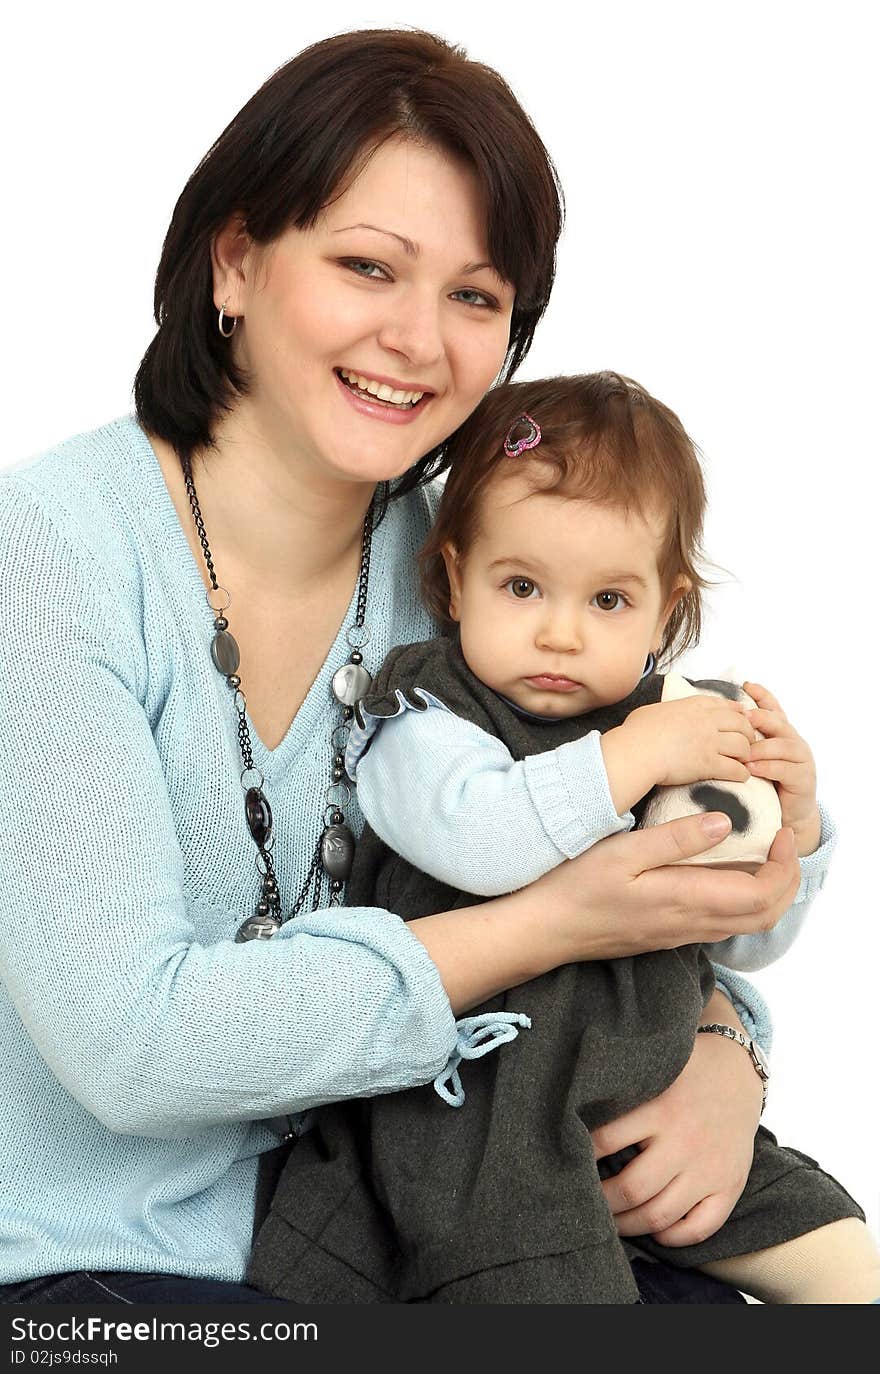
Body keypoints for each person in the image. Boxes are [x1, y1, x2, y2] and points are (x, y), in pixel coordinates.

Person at [0, 30, 805, 1306]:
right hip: (105, 1264)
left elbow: (681, 897)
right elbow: (133, 1049)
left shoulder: (480, 574)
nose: (418, 342)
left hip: (426, 1212)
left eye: (476, 298)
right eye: (368, 267)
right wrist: (545, 924)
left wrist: (723, 1050)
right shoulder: (46, 558)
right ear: (237, 261)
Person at [247, 372, 878, 1304]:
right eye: (524, 586)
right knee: (544, 1273)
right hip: (489, 1120)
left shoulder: (678, 722)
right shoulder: (424, 715)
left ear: (667, 613)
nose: (560, 634)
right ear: (457, 579)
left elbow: (743, 935)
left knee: (839, 1258)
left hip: (650, 1090)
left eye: (609, 603)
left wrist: (791, 824)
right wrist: (631, 757)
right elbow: (483, 839)